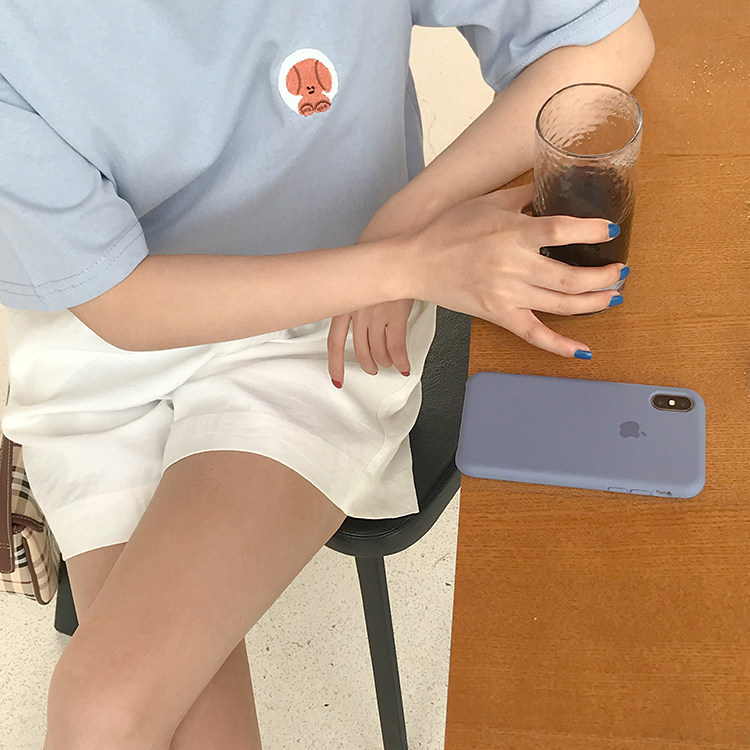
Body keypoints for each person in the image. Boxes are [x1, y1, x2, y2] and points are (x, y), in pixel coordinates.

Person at [0, 1, 654, 747]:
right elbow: (123, 305)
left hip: (325, 326)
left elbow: (607, 39)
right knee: (137, 710)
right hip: (102, 341)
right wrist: (402, 262)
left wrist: (410, 217)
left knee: (105, 707)